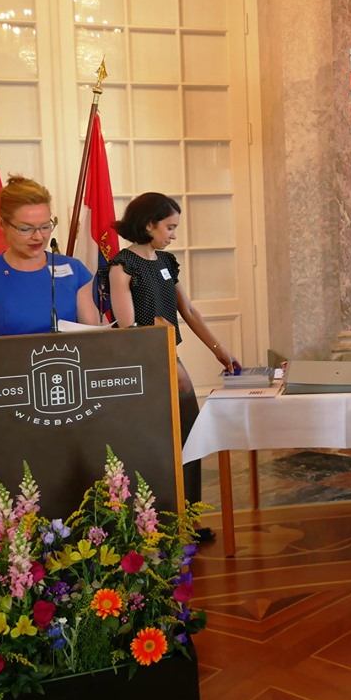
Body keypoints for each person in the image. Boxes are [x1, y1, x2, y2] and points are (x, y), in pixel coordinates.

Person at [104, 192, 240, 542]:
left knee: (189, 435)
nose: (174, 235)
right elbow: (129, 327)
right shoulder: (121, 266)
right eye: (170, 227)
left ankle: (187, 518)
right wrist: (164, 359)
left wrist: (219, 350)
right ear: (149, 224)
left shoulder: (165, 261)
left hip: (170, 358)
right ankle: (154, 523)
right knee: (156, 445)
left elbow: (189, 311)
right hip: (143, 365)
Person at [0, 175, 98, 336]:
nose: (38, 237)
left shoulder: (74, 269)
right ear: (2, 224)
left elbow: (93, 339)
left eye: (45, 226)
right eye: (26, 229)